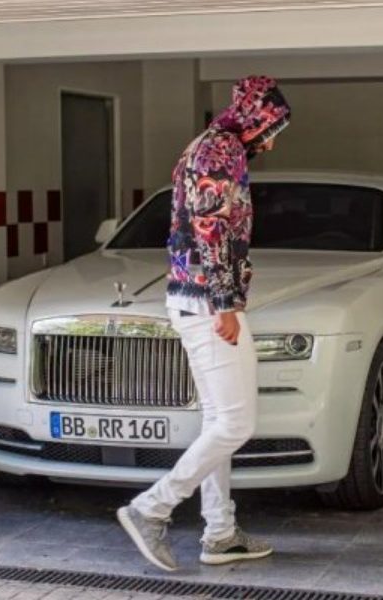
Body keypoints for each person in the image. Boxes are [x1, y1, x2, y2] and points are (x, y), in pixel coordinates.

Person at [117, 75, 291, 572]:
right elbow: (210, 226)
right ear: (255, 118)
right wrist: (225, 302)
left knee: (219, 421)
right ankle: (151, 508)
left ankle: (220, 533)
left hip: (195, 298)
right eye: (271, 129)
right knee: (237, 423)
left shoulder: (213, 146)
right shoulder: (219, 150)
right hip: (206, 302)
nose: (271, 142)